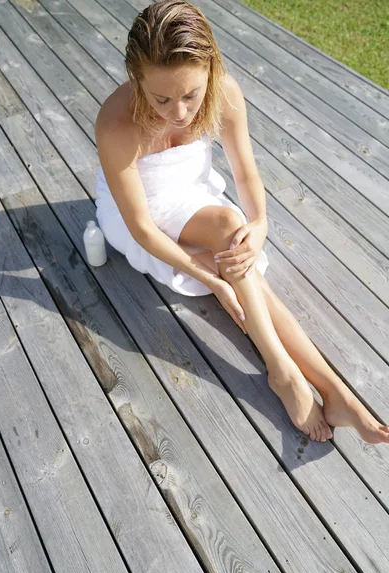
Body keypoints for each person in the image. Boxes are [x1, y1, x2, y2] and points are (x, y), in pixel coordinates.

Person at [95, 0, 389, 444]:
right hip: (139, 211)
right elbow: (141, 228)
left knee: (236, 238)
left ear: (210, 70)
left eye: (191, 95)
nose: (179, 112)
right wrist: (206, 274)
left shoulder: (225, 91)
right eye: (161, 99)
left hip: (192, 195)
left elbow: (246, 172)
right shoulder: (115, 122)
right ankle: (298, 376)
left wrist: (262, 224)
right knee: (231, 255)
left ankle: (322, 386)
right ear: (136, 80)